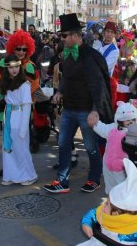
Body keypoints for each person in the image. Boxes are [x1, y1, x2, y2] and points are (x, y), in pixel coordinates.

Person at [43, 13, 112, 194]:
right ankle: (62, 181)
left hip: (85, 111)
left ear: (75, 35)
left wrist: (95, 111)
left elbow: (99, 86)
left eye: (64, 36)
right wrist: (60, 91)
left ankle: (94, 178)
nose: (61, 39)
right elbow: (66, 77)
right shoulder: (66, 54)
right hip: (69, 109)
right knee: (64, 144)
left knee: (91, 147)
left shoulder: (90, 57)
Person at [78, 159, 137, 246]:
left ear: (116, 213)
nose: (103, 205)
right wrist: (86, 224)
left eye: (107, 204)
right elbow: (92, 213)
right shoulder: (104, 214)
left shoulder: (133, 230)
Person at [0, 55, 38, 186]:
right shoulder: (6, 82)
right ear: (6, 69)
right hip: (9, 117)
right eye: (10, 67)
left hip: (19, 117)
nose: (14, 69)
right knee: (8, 148)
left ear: (20, 67)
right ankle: (9, 176)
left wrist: (23, 127)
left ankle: (29, 175)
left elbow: (27, 106)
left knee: (21, 149)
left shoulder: (25, 84)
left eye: (16, 66)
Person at [88, 101, 137, 193]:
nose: (130, 122)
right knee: (110, 187)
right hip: (108, 165)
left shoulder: (134, 133)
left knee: (123, 188)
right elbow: (102, 129)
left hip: (123, 167)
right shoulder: (112, 128)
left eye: (133, 120)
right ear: (119, 119)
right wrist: (96, 123)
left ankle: (123, 203)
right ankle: (111, 201)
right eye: (127, 120)